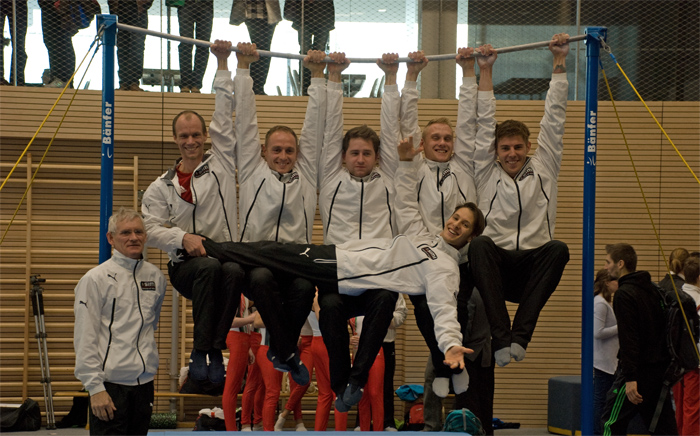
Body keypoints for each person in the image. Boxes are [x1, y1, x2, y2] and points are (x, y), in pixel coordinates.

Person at [194, 199, 485, 373]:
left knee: (269, 251)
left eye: (465, 225)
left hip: (343, 269)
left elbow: (443, 306)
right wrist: (407, 162)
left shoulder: (446, 267)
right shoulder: (427, 238)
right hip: (341, 257)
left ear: (471, 237)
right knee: (273, 266)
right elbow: (407, 199)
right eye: (456, 217)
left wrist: (450, 343)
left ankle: (206, 248)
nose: (456, 224)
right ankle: (282, 349)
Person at [142, 40, 245, 385]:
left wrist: (222, 65)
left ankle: (214, 349)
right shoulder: (161, 185)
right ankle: (201, 351)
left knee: (231, 269)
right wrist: (182, 237)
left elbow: (223, 114)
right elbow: (149, 229)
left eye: (196, 135)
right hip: (185, 268)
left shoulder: (221, 166)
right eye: (184, 136)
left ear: (205, 137)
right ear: (175, 139)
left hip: (221, 256)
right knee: (211, 267)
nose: (191, 141)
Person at [468, 34, 571, 367]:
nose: (511, 154)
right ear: (496, 152)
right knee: (479, 244)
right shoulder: (485, 173)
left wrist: (558, 62)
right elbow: (484, 124)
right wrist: (485, 71)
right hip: (497, 268)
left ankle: (521, 336)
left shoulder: (544, 166)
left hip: (530, 267)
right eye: (505, 148)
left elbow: (554, 120)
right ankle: (501, 337)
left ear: (528, 146)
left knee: (559, 248)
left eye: (517, 147)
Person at [396, 46, 486, 398]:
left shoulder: (464, 168)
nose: (443, 142)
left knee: (459, 308)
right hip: (423, 258)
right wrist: (411, 77)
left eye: (448, 138)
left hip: (459, 261)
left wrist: (467, 73)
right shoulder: (414, 169)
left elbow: (470, 120)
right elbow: (405, 208)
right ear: (424, 142)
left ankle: (455, 366)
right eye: (435, 138)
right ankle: (443, 361)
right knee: (423, 310)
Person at [233, 42, 325, 385]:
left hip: (293, 259)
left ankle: (280, 350)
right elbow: (244, 121)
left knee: (304, 288)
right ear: (263, 152)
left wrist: (318, 77)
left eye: (289, 150)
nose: (283, 155)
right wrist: (243, 69)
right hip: (257, 260)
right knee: (259, 281)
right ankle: (285, 350)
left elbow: (314, 130)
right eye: (277, 150)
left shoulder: (306, 176)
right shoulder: (252, 169)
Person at [315, 51, 401, 413]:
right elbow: (330, 128)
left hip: (376, 275)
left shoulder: (390, 180)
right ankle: (340, 385)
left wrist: (393, 78)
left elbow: (393, 129)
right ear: (344, 156)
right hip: (340, 275)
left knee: (387, 298)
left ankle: (357, 377)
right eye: (354, 153)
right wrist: (334, 77)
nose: (360, 158)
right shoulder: (330, 179)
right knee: (330, 308)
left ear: (377, 157)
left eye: (367, 153)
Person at [73, 208, 167, 435]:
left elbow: (150, 327)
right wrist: (95, 388)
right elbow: (85, 336)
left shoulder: (156, 277)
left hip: (144, 386)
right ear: (111, 238)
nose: (133, 238)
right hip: (109, 387)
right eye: (125, 233)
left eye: (138, 232)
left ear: (145, 236)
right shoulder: (94, 279)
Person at [600, 243, 678, 435]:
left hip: (639, 371)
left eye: (608, 262)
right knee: (663, 427)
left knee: (611, 422)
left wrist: (631, 377)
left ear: (620, 263)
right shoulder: (652, 289)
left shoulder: (624, 294)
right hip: (659, 370)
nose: (605, 267)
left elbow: (630, 338)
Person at [422, 289, 493, 435]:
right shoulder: (489, 291)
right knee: (476, 394)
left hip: (458, 347)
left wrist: (451, 347)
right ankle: (475, 427)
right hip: (479, 349)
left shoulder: (469, 293)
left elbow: (466, 321)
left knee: (435, 381)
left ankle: (435, 426)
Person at [283, 0, 335, 95]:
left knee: (319, 52)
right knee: (305, 52)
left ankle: (316, 84)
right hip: (305, 13)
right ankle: (306, 86)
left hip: (322, 13)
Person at [230, 0, 281, 95]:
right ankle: (254, 86)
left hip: (269, 12)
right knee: (259, 47)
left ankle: (257, 86)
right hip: (252, 11)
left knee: (265, 49)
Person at [222, 296, 257, 431]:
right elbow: (227, 321)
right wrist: (251, 319)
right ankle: (231, 430)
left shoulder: (243, 292)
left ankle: (232, 429)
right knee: (231, 388)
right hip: (236, 337)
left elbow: (243, 315)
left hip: (243, 339)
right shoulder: (231, 290)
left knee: (235, 388)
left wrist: (248, 347)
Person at [674, 257, 700, 436]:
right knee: (692, 411)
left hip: (675, 364)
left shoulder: (674, 295)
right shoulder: (696, 300)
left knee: (680, 409)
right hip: (694, 365)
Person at [593, 268, 619, 435]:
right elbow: (598, 332)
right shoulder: (600, 303)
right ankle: (596, 432)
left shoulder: (604, 302)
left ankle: (599, 431)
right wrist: (621, 326)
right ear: (607, 283)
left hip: (607, 359)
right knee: (600, 400)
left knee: (603, 400)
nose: (618, 283)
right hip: (603, 361)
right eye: (616, 280)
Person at [109, 0, 152, 91]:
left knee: (137, 47)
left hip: (138, 11)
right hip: (122, 9)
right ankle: (124, 82)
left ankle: (134, 81)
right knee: (123, 47)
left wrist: (145, 3)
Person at [382, 295, 408, 431]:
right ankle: (361, 422)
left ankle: (388, 422)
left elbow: (402, 313)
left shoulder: (394, 290)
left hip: (387, 343)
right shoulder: (363, 285)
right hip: (365, 341)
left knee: (387, 384)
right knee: (364, 384)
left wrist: (385, 318)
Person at [177, 0, 214, 93]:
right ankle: (186, 83)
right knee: (186, 44)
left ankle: (195, 84)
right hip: (186, 3)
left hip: (206, 4)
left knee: (203, 45)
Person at [0, 0, 27, 86]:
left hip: (19, 3)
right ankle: (4, 79)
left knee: (19, 43)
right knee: (19, 43)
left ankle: (17, 80)